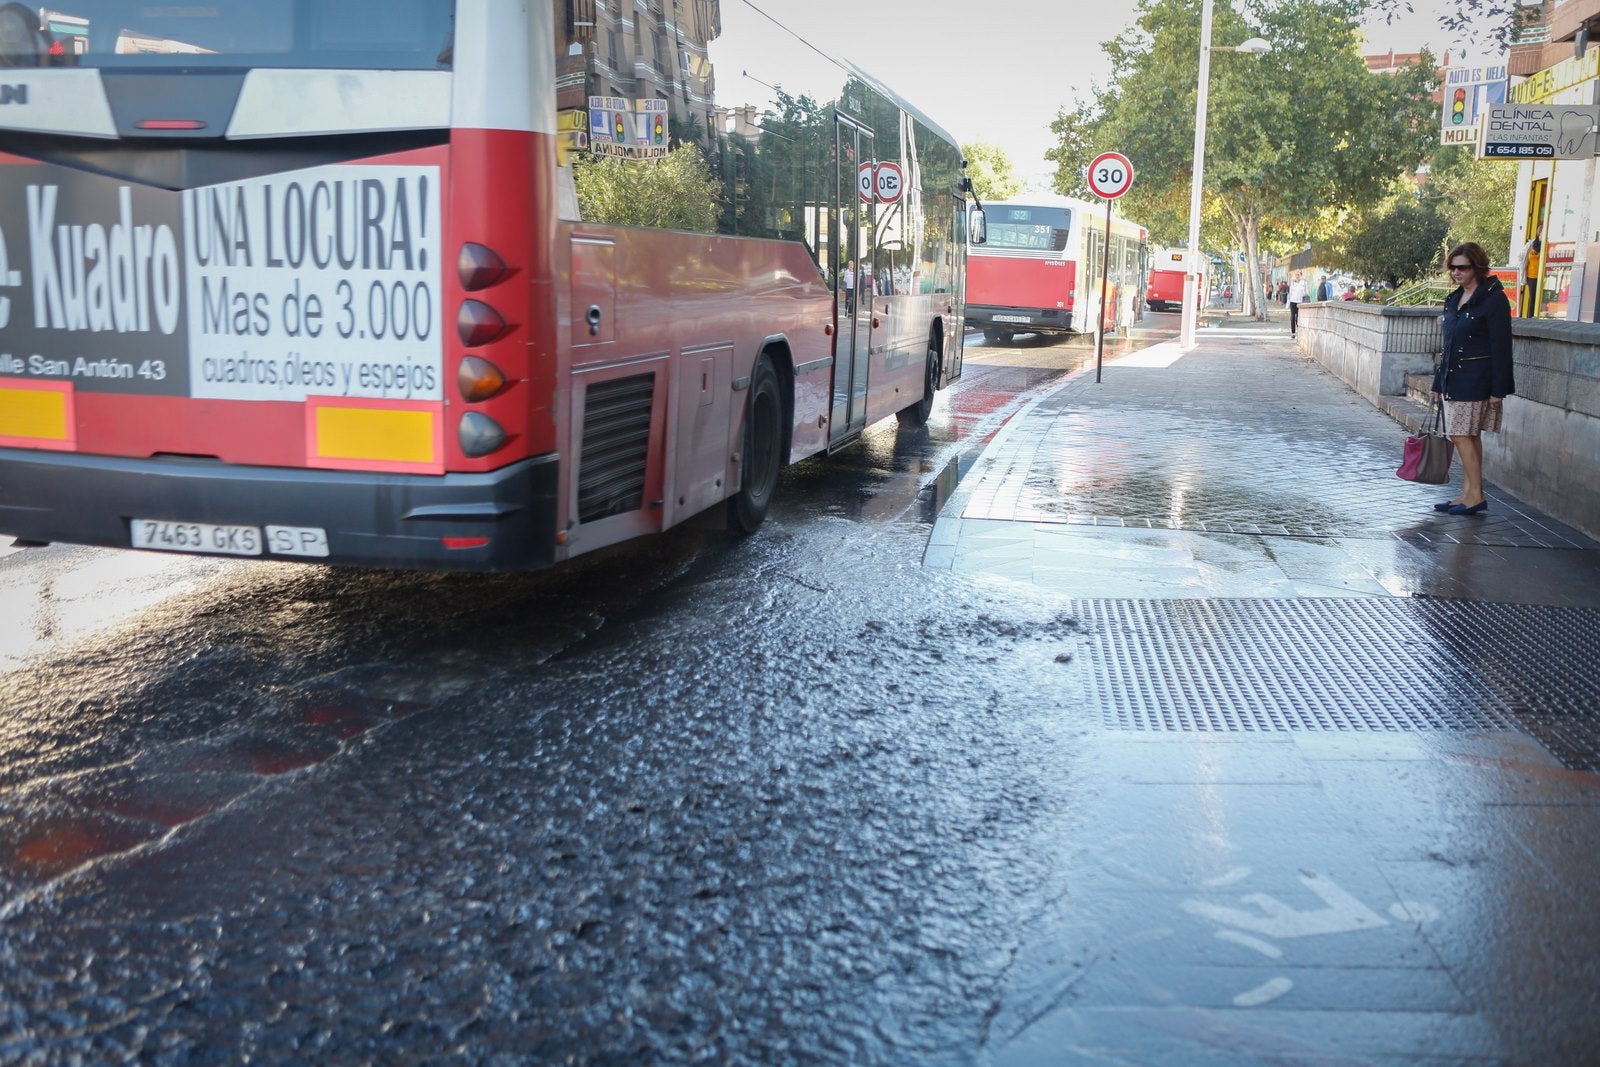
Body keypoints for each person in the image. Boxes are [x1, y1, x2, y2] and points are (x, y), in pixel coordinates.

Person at [1431, 241, 1515, 516]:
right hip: (1454, 377)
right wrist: (1437, 382)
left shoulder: (1493, 299)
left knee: (1459, 434)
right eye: (1452, 267)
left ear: (1476, 266)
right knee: (1469, 435)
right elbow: (1448, 344)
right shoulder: (1454, 299)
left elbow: (1501, 346)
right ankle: (1468, 493)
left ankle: (1476, 495)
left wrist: (1498, 389)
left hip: (1477, 378)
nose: (1456, 272)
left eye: (1462, 267)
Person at [1287, 270, 1308, 336]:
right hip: (1293, 301)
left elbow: (1307, 292)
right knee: (1292, 317)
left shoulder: (1304, 282)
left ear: (1301, 275)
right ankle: (1293, 332)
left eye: (1298, 274)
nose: (1297, 276)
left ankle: (1299, 330)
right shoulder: (1292, 283)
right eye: (1296, 274)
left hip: (1300, 302)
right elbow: (1290, 293)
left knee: (1298, 317)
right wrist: (1288, 303)